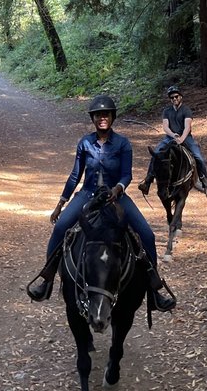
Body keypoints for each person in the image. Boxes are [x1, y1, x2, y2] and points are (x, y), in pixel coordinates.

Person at [26, 94, 176, 312]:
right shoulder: (85, 143)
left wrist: (118, 188)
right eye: (98, 115)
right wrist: (61, 202)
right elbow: (75, 175)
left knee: (147, 235)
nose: (102, 118)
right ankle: (47, 280)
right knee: (60, 228)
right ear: (93, 119)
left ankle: (154, 289)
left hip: (116, 195)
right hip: (88, 194)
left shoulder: (123, 143)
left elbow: (127, 175)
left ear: (112, 117)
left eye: (106, 114)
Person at [139, 85, 207, 196]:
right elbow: (165, 127)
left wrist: (182, 139)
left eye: (176, 96)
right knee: (156, 154)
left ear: (181, 97)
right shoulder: (167, 111)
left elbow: (187, 126)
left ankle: (206, 184)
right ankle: (148, 181)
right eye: (172, 97)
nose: (174, 99)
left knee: (198, 157)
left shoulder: (186, 110)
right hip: (170, 137)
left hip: (186, 137)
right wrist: (174, 135)